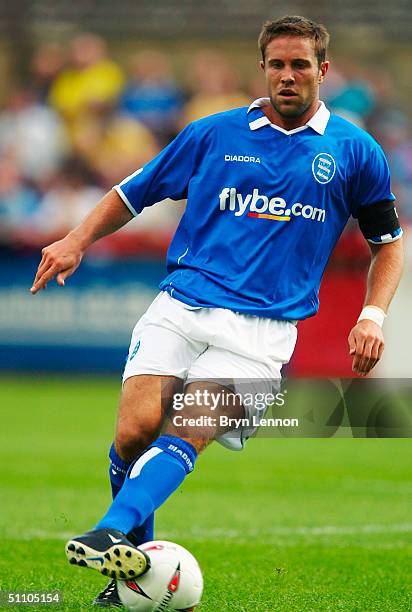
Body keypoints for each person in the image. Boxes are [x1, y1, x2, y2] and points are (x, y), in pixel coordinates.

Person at [31, 15, 403, 607]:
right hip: (179, 305)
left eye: (300, 64)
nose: (288, 75)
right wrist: (76, 239)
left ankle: (111, 530)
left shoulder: (355, 152)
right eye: (277, 64)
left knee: (188, 427)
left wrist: (372, 316)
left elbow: (388, 244)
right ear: (263, 68)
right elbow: (135, 190)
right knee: (132, 434)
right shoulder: (214, 133)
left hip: (262, 333)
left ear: (322, 71)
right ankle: (129, 573)